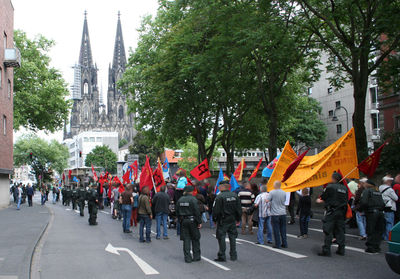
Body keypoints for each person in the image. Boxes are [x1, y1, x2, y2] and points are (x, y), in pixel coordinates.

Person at [317, 172, 348, 256]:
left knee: (328, 230)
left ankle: (326, 250)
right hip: (341, 212)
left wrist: (320, 200)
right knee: (340, 231)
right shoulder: (345, 188)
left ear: (334, 178)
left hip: (332, 211)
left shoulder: (330, 187)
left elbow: (323, 197)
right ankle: (341, 249)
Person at [212, 180, 242, 262]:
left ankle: (222, 255)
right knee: (232, 237)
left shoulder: (219, 197)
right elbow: (238, 208)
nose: (218, 187)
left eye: (219, 186)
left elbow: (216, 210)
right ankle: (233, 255)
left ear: (222, 187)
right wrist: (238, 219)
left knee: (221, 237)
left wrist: (214, 219)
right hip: (232, 219)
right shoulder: (235, 195)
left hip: (223, 219)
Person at [176, 186, 202, 263]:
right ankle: (196, 256)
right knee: (195, 238)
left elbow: (177, 211)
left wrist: (180, 220)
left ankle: (187, 257)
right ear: (191, 191)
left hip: (183, 220)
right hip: (193, 220)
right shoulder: (193, 199)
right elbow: (197, 211)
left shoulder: (180, 200)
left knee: (186, 239)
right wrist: (199, 222)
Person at [360, 180, 385, 254]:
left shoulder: (367, 191)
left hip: (372, 212)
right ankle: (376, 246)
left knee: (371, 230)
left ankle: (370, 247)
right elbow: (383, 203)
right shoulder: (378, 192)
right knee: (378, 231)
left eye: (364, 183)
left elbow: (364, 202)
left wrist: (361, 210)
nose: (363, 184)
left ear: (367, 184)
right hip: (380, 212)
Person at [267, 181, 288, 249]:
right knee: (283, 229)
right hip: (283, 212)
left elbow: (267, 200)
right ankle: (284, 243)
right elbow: (284, 201)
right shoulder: (284, 192)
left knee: (276, 229)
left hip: (275, 213)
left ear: (275, 185)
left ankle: (278, 244)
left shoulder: (272, 192)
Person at [379, 176, 398, 240]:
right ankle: (388, 237)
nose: (391, 182)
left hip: (382, 207)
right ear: (387, 181)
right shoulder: (389, 189)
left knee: (383, 223)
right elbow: (396, 198)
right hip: (389, 207)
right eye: (390, 181)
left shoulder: (379, 187)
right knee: (389, 223)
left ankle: (382, 235)